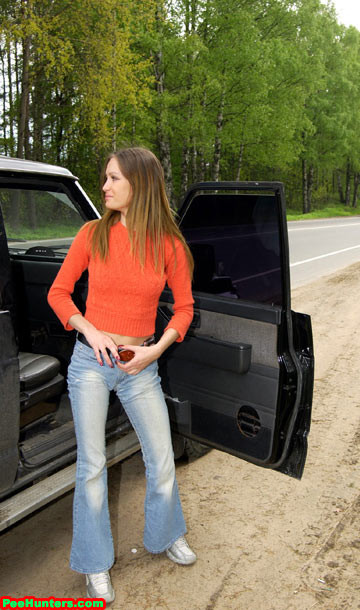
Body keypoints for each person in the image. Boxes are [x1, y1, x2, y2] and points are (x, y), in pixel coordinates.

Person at [48, 147, 196, 603]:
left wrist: (154, 350)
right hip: (91, 366)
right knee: (92, 467)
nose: (105, 186)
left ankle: (165, 534)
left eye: (113, 178)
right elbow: (59, 294)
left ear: (140, 184)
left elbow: (185, 309)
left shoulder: (169, 244)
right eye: (105, 177)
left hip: (140, 367)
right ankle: (95, 566)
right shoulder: (92, 234)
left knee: (162, 455)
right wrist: (90, 330)